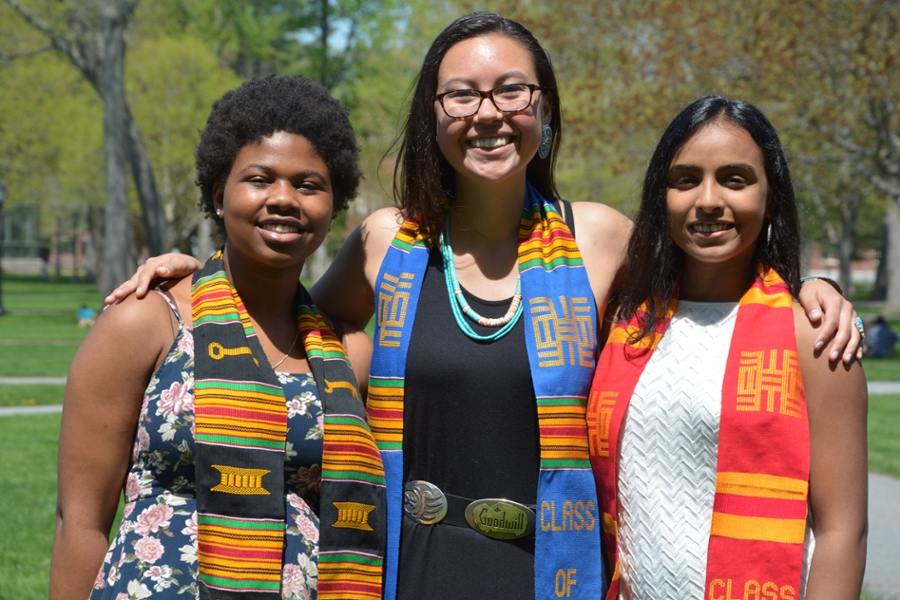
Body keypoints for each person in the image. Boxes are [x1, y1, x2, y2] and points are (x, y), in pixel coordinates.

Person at [105, 14, 863, 600]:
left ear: (545, 111)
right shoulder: (385, 242)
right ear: (432, 116)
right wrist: (202, 277)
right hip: (409, 564)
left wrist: (804, 287)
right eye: (461, 94)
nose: (488, 112)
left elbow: (705, 278)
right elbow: (301, 328)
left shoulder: (597, 239)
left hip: (548, 570)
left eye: (513, 92)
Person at [50, 75, 386, 600]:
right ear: (219, 194)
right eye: (259, 178)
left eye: (308, 184)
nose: (283, 199)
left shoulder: (350, 353)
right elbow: (81, 522)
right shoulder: (145, 323)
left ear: (333, 205)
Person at [588, 97, 868, 600]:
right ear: (661, 196)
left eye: (735, 179)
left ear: (770, 195)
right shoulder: (623, 320)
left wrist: (817, 284)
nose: (709, 199)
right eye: (686, 179)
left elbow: (841, 532)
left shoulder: (813, 333)